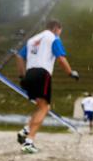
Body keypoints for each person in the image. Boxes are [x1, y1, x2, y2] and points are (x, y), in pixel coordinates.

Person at [15, 19, 79, 153]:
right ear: (56, 28)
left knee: (41, 106)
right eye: (60, 32)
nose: (60, 34)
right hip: (42, 74)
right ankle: (29, 142)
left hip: (30, 73)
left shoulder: (32, 39)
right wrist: (70, 73)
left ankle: (26, 130)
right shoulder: (53, 38)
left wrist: (22, 76)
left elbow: (19, 57)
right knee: (44, 107)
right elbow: (61, 58)